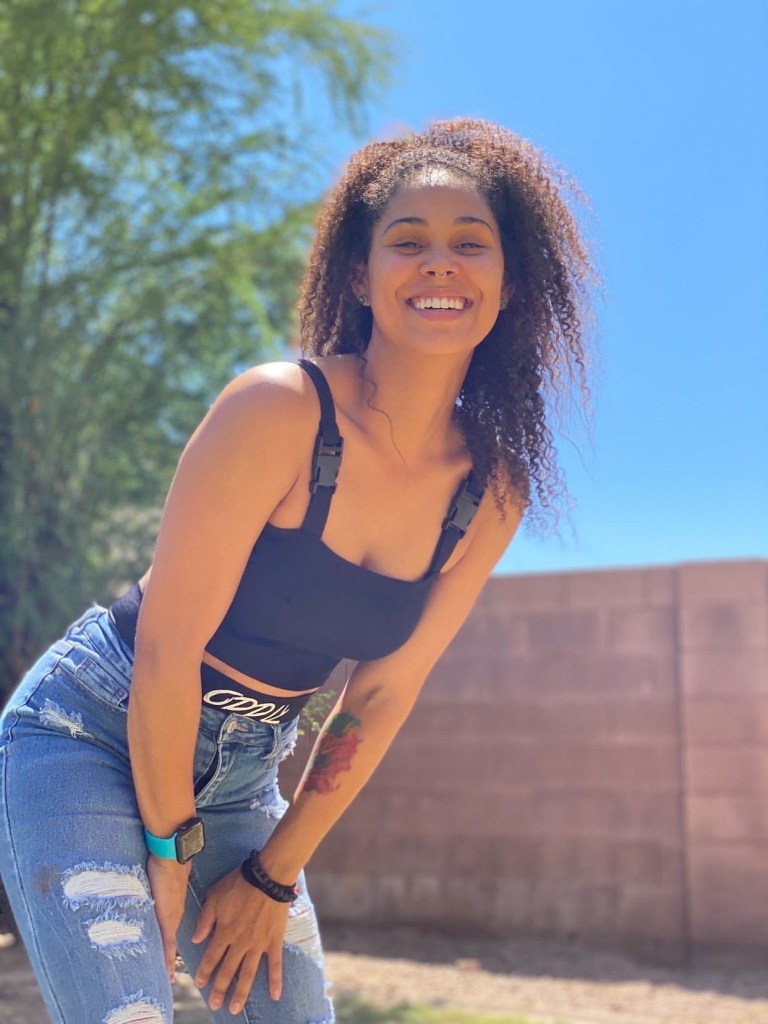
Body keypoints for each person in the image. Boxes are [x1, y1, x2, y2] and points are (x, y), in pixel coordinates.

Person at [0, 118, 596, 1023]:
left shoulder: (490, 488)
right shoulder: (280, 409)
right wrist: (169, 851)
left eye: (471, 244)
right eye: (409, 241)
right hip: (93, 730)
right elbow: (167, 648)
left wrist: (272, 876)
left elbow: (382, 693)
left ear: (510, 283)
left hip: (245, 777)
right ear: (360, 274)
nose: (440, 264)